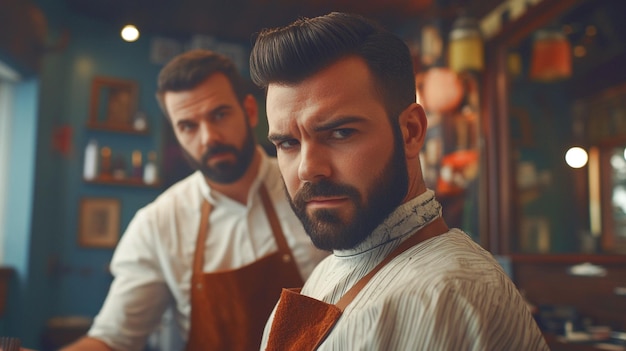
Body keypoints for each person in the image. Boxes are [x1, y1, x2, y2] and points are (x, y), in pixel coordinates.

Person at [249, 12, 549, 351]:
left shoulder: (451, 294)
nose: (307, 169)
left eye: (341, 133)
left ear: (411, 131)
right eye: (288, 143)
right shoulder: (333, 266)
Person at [62, 49, 328, 351]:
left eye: (219, 115)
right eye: (188, 126)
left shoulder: (310, 188)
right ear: (176, 133)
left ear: (250, 111)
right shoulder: (159, 222)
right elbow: (114, 338)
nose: (208, 137)